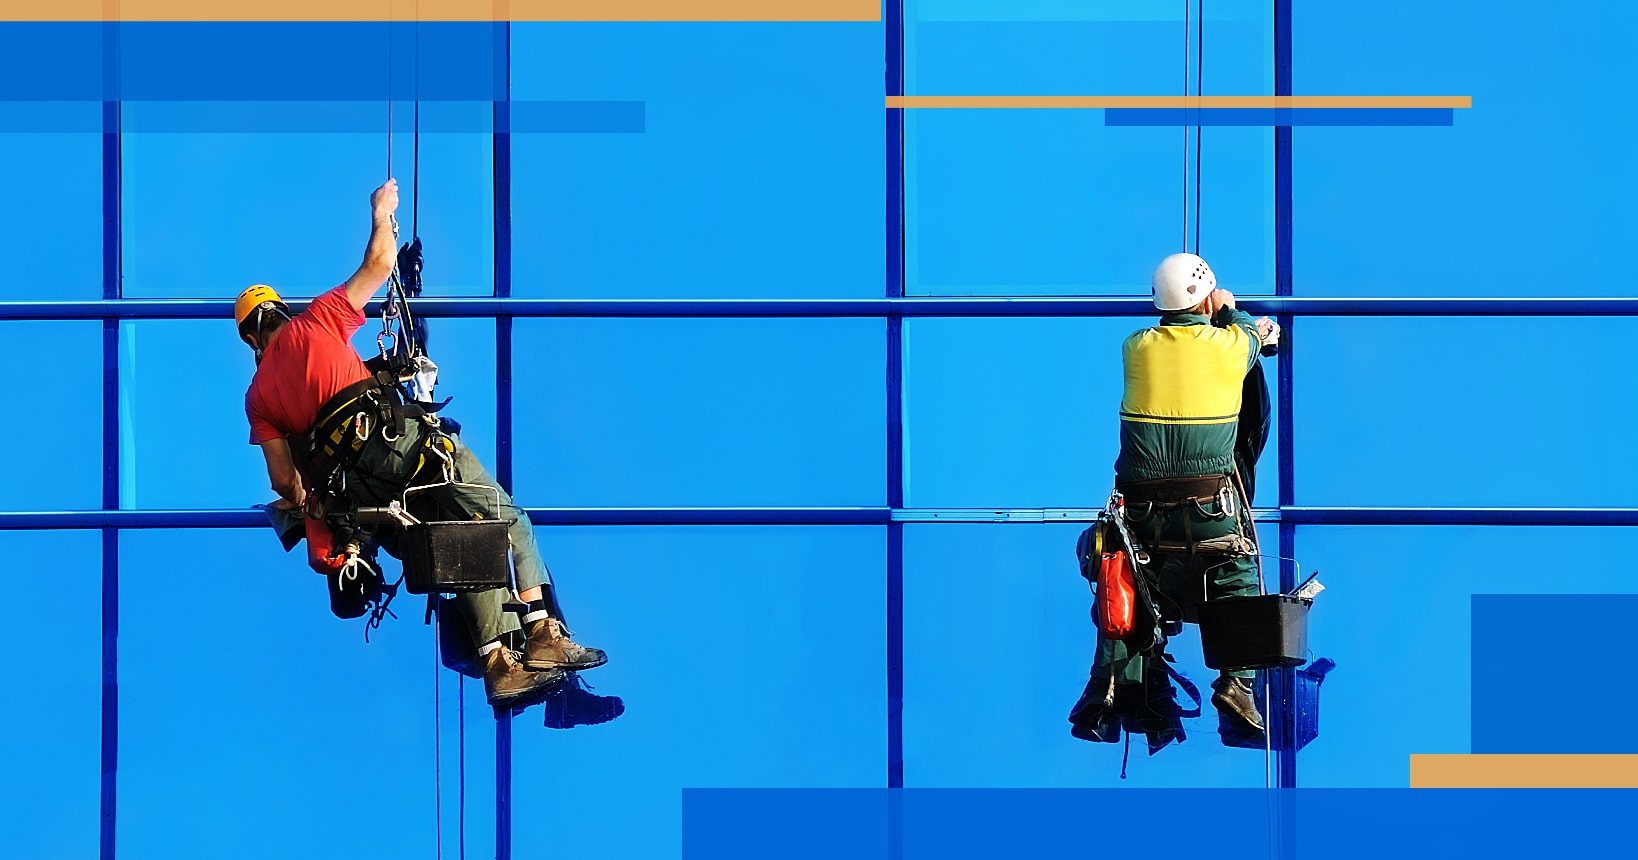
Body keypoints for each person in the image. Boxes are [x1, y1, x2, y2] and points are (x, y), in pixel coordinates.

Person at [237, 178, 607, 708]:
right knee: (506, 517)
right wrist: (382, 213)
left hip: (364, 495)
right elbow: (380, 265)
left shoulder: (258, 399)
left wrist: (312, 509)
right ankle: (543, 633)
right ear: (280, 312)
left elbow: (282, 481)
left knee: (464, 546)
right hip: (407, 451)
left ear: (252, 338)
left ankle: (500, 665)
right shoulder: (315, 322)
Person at [1103, 252, 1281, 735]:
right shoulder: (1227, 344)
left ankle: (1149, 671)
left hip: (1140, 513)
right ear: (1204, 298)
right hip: (1208, 505)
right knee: (1235, 570)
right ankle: (1236, 683)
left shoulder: (1135, 346)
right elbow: (1255, 334)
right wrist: (1228, 309)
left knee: (1151, 582)